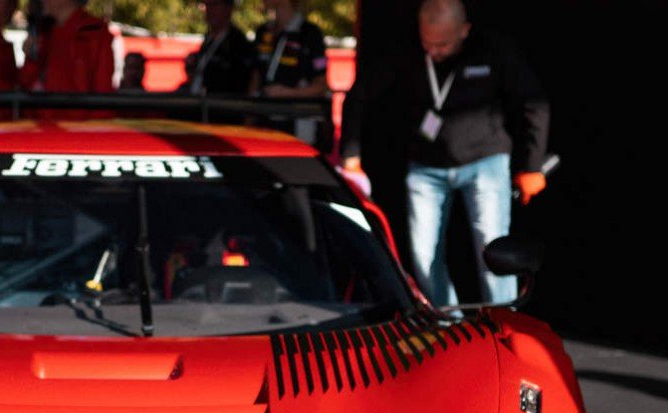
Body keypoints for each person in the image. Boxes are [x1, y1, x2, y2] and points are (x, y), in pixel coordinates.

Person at [340, 0, 547, 309]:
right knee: (424, 256)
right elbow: (359, 95)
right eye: (428, 43)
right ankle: (447, 324)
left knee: (493, 252)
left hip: (485, 162)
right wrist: (351, 156)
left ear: (464, 31)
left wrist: (532, 165)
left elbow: (534, 104)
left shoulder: (493, 50)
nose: (434, 51)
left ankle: (504, 324)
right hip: (426, 167)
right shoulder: (406, 52)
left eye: (443, 44)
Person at [248, 0, 328, 146]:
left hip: (297, 126)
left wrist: (287, 93)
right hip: (263, 122)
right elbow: (256, 76)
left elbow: (321, 86)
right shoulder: (263, 31)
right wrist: (249, 116)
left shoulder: (310, 34)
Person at [21, 0, 114, 100]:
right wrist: (31, 58)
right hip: (43, 113)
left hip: (75, 114)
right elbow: (26, 85)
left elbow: (103, 94)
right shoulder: (43, 34)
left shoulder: (95, 33)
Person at [181, 0, 254, 97]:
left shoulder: (237, 43)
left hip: (220, 105)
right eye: (207, 5)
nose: (209, 10)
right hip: (199, 101)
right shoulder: (208, 39)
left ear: (228, 9)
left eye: (214, 5)